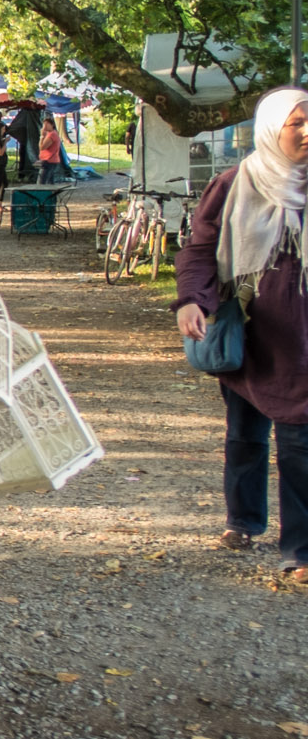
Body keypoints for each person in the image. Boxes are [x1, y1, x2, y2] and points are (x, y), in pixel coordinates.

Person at [173, 86, 308, 585]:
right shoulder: (236, 183)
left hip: (303, 340)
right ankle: (244, 520)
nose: (307, 132)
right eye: (297, 124)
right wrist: (192, 300)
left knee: (300, 440)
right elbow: (200, 250)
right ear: (273, 129)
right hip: (251, 333)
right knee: (245, 434)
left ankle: (300, 549)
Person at [38, 119, 63, 184]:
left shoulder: (52, 135)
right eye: (44, 124)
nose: (45, 126)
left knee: (41, 182)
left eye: (47, 124)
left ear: (52, 125)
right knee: (49, 181)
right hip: (49, 159)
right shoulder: (50, 134)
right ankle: (52, 193)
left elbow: (42, 147)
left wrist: (42, 136)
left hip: (49, 160)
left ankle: (43, 193)